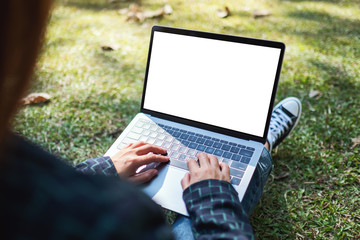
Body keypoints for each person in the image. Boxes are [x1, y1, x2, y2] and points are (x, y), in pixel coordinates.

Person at [0, 1, 302, 239]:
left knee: (196, 195)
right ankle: (262, 144)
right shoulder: (107, 221)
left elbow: (55, 201)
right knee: (205, 204)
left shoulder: (24, 176)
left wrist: (101, 171)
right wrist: (211, 195)